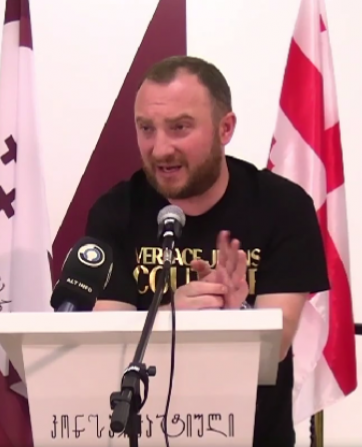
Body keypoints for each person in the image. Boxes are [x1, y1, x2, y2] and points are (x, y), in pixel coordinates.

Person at [84, 55, 329, 446]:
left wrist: (238, 314)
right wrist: (173, 318)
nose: (160, 149)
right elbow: (105, 344)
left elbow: (278, 343)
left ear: (225, 128)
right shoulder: (116, 211)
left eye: (179, 127)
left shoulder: (282, 207)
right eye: (146, 129)